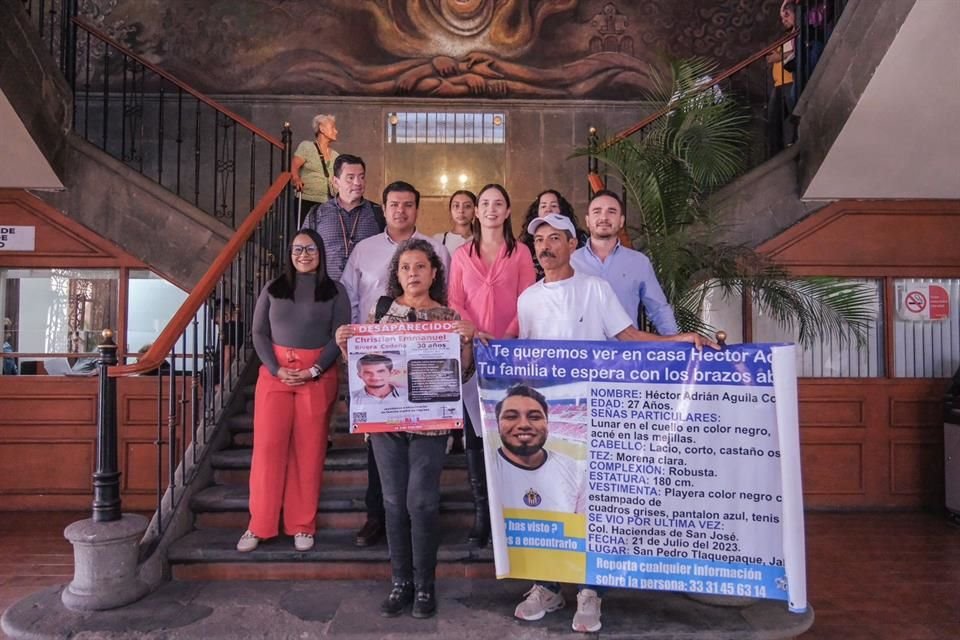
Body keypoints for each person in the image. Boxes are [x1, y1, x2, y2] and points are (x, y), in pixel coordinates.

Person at [513, 212, 716, 633]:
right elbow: (524, 357)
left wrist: (678, 340)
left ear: (573, 245)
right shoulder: (527, 298)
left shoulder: (595, 288)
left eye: (555, 238)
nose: (545, 246)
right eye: (539, 241)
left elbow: (627, 337)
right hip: (548, 424)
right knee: (548, 502)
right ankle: (547, 587)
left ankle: (590, 591)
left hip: (595, 415)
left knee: (591, 506)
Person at [336, 238, 476, 619]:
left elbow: (462, 373)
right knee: (393, 502)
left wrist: (466, 343)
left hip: (431, 427)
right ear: (396, 275)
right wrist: (344, 344)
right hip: (385, 425)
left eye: (420, 267)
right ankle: (401, 582)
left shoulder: (449, 318)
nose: (413, 273)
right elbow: (359, 367)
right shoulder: (380, 314)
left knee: (422, 501)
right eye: (405, 267)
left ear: (434, 272)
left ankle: (425, 585)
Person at [340, 181, 450, 548]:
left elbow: (444, 297)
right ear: (383, 208)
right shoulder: (364, 249)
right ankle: (379, 517)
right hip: (378, 356)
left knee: (423, 458)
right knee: (380, 447)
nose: (400, 211)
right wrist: (353, 347)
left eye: (407, 204)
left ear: (417, 209)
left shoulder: (436, 248)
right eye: (393, 204)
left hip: (426, 365)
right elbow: (353, 299)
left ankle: (421, 515)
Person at [236, 229, 350, 554]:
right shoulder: (273, 288)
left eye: (310, 248)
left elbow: (339, 335)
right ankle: (259, 524)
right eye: (297, 248)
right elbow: (258, 332)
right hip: (275, 375)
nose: (303, 254)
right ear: (290, 253)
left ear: (321, 252)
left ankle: (302, 524)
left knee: (309, 450)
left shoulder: (335, 291)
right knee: (268, 449)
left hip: (317, 375)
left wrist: (315, 369)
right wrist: (275, 368)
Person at [448, 183, 536, 547]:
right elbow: (454, 300)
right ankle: (482, 513)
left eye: (498, 203)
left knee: (509, 432)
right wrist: (477, 333)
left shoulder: (521, 254)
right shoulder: (461, 254)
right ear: (476, 210)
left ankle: (508, 512)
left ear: (508, 210)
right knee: (474, 434)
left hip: (511, 354)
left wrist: (506, 337)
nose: (490, 209)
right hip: (472, 354)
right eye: (484, 203)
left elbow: (528, 299)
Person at [571, 190, 679, 334]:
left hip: (625, 353)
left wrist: (675, 346)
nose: (604, 217)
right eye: (597, 212)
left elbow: (659, 309)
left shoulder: (639, 263)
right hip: (581, 352)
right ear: (587, 221)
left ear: (621, 221)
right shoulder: (570, 262)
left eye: (611, 211)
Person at [493, 384, 585, 514]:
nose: (524, 425)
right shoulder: (486, 470)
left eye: (534, 417)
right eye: (511, 417)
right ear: (497, 423)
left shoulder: (575, 471)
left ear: (547, 422)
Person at [300, 154, 385, 281]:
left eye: (361, 177)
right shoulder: (317, 213)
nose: (358, 182)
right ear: (335, 182)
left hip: (367, 293)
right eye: (350, 178)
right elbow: (303, 252)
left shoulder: (379, 213)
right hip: (328, 292)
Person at [519, 189, 588, 280]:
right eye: (543, 206)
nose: (548, 209)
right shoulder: (525, 245)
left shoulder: (580, 239)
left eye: (554, 205)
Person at [291, 114, 340, 217]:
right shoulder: (307, 147)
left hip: (328, 202)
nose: (336, 131)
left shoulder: (336, 156)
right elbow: (294, 166)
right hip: (307, 200)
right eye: (333, 128)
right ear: (322, 128)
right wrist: (296, 179)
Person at [766, 2, 797, 154]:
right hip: (779, 83)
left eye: (786, 15)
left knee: (793, 116)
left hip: (790, 80)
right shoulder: (786, 37)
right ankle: (775, 155)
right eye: (782, 17)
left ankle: (794, 144)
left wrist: (778, 56)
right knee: (773, 120)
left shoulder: (798, 33)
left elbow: (796, 53)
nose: (783, 19)